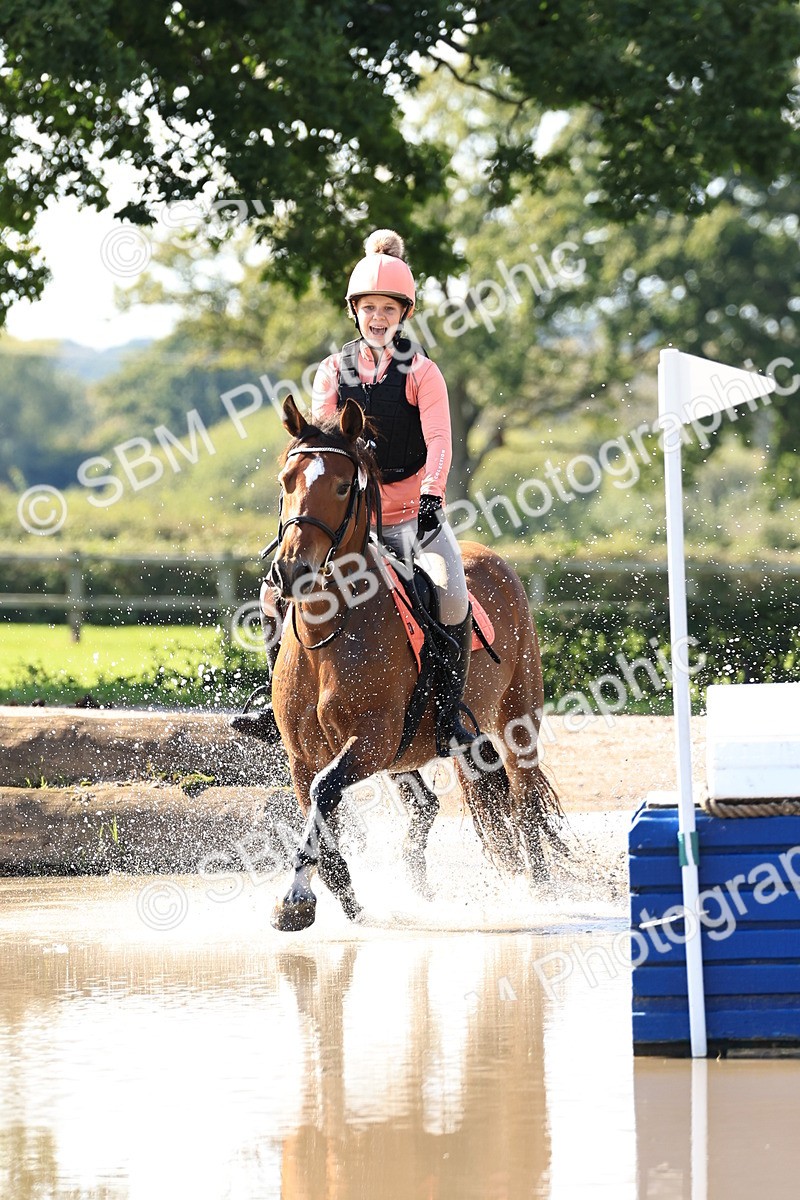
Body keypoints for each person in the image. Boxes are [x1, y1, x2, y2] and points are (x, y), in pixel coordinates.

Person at [232, 229, 476, 752]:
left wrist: (432, 495)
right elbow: (322, 440)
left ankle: (452, 716)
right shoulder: (331, 371)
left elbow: (438, 440)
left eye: (389, 308)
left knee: (452, 593)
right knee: (273, 593)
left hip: (411, 514)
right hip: (346, 517)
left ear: (404, 313)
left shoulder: (423, 374)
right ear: (356, 312)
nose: (378, 317)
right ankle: (274, 704)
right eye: (369, 308)